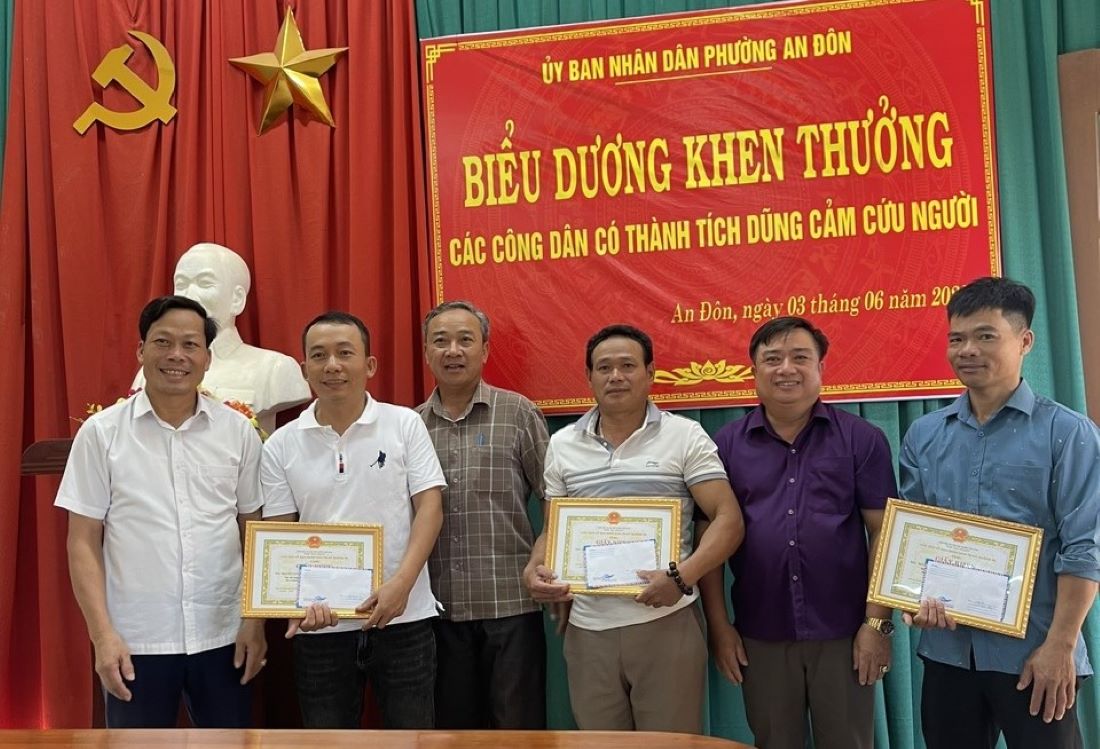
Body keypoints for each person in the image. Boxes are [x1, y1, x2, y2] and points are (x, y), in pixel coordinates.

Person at [900, 277, 1100, 749]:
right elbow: (914, 539)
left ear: (1024, 341)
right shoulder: (924, 435)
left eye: (985, 335)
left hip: (1036, 655)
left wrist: (1060, 647)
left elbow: (1084, 549)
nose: (968, 349)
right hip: (949, 654)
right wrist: (914, 602)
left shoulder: (1068, 434)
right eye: (957, 338)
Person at [56, 295, 266, 727]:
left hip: (223, 635)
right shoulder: (102, 434)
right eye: (162, 342)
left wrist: (254, 622)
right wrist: (102, 635)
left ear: (207, 358)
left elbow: (255, 533)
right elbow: (82, 541)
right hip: (135, 639)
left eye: (190, 345)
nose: (176, 355)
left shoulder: (237, 433)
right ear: (141, 351)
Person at [524, 324, 745, 733]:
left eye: (628, 365)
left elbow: (728, 520)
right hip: (588, 629)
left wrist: (681, 577)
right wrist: (535, 566)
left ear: (651, 373)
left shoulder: (684, 435)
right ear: (588, 377)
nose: (616, 376)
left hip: (666, 622)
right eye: (604, 367)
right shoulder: (563, 444)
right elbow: (553, 530)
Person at [700, 316, 897, 749]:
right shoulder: (725, 446)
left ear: (821, 369)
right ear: (753, 372)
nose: (785, 368)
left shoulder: (862, 440)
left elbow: (884, 534)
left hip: (844, 633)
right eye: (772, 359)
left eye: (800, 357)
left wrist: (876, 625)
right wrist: (719, 627)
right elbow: (709, 541)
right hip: (760, 633)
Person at [260, 311, 445, 729]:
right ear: (304, 366)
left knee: (412, 738)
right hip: (320, 626)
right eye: (319, 355)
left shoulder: (405, 424)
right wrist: (292, 603)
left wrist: (402, 585)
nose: (332, 366)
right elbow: (281, 534)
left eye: (345, 353)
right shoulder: (281, 445)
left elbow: (430, 507)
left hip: (404, 617)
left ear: (370, 364)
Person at [416, 300, 550, 729]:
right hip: (437, 612)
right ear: (426, 352)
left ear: (485, 350)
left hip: (509, 606)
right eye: (441, 341)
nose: (452, 350)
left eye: (465, 340)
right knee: (453, 734)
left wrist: (543, 557)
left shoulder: (518, 413)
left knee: (518, 731)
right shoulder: (408, 425)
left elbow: (556, 499)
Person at [133, 242, 310, 433]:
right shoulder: (154, 369)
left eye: (205, 283)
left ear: (237, 299)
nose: (189, 296)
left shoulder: (275, 369)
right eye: (182, 284)